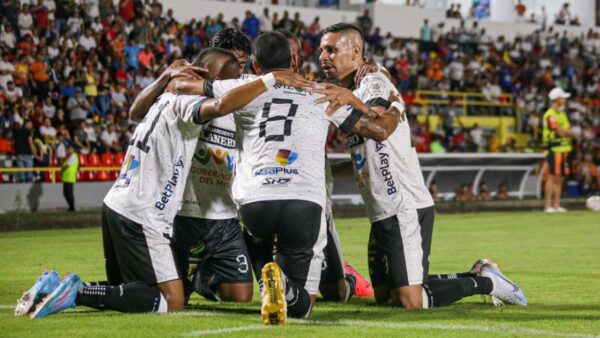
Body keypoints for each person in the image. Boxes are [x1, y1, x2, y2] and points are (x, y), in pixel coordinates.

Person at [19, 51, 310, 319]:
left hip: (118, 203)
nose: (233, 85)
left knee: (131, 289)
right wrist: (271, 79)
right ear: (213, 78)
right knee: (171, 301)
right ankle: (77, 292)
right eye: (230, 79)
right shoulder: (187, 101)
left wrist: (167, 77)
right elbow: (221, 103)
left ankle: (54, 287)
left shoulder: (163, 97)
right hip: (144, 212)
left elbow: (137, 110)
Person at [166, 31, 401, 323]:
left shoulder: (245, 84)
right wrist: (393, 105)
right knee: (303, 307)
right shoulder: (321, 91)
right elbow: (377, 130)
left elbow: (180, 85)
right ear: (293, 60)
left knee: (258, 248)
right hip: (304, 203)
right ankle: (287, 289)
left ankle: (270, 277)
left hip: (254, 203)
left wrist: (186, 71)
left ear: (254, 64)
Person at [316, 23, 527, 309]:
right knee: (386, 295)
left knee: (409, 300)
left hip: (405, 206)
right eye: (321, 51)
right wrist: (326, 169)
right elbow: (363, 155)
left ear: (355, 52)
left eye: (331, 50)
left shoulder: (372, 82)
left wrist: (379, 101)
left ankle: (488, 283)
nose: (323, 57)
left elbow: (380, 125)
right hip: (382, 209)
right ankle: (478, 273)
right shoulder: (356, 88)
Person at [542, 87, 574, 212]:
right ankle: (548, 206)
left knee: (560, 177)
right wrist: (566, 132)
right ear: (556, 99)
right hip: (554, 149)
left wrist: (566, 132)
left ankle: (556, 205)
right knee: (552, 176)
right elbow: (560, 132)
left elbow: (569, 131)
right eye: (563, 98)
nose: (565, 100)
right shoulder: (550, 115)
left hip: (564, 149)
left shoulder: (561, 114)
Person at [61, 141, 78, 212]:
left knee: (69, 193)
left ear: (73, 149)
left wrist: (61, 171)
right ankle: (71, 207)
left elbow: (67, 166)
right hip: (67, 177)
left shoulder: (73, 156)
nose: (68, 149)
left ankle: (72, 207)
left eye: (70, 148)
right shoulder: (70, 156)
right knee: (66, 193)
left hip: (70, 177)